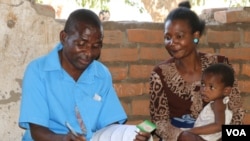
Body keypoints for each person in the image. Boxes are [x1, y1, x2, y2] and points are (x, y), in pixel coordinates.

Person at [19, 9, 150, 141]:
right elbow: (37, 131)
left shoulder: (101, 74)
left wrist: (128, 137)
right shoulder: (38, 71)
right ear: (64, 38)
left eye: (96, 46)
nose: (88, 53)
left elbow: (110, 125)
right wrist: (64, 139)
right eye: (81, 44)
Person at [149, 1, 245, 141]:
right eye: (167, 37)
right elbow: (159, 122)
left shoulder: (220, 64)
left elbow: (237, 112)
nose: (172, 43)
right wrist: (184, 136)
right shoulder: (160, 73)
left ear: (196, 36)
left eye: (179, 36)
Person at [179, 63, 235, 141]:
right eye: (203, 84)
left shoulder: (218, 103)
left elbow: (219, 126)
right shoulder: (219, 103)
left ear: (226, 90)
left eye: (211, 87)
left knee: (185, 136)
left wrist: (192, 131)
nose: (204, 89)